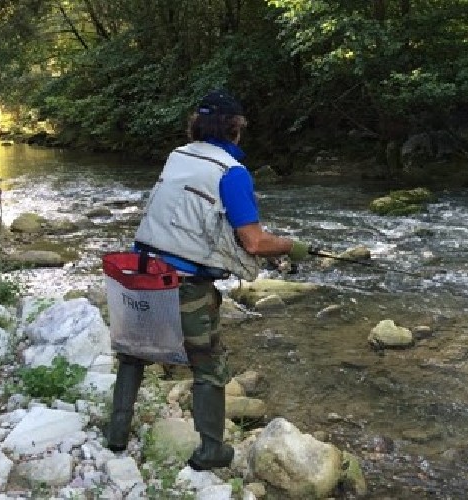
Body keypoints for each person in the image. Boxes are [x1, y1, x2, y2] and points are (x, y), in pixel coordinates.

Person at [106, 89, 316, 470]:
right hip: (185, 286)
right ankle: (211, 451)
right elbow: (253, 241)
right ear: (235, 129)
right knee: (209, 368)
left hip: (140, 272)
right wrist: (292, 247)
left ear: (196, 125)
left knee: (134, 352)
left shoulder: (177, 156)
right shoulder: (231, 173)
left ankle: (116, 435)